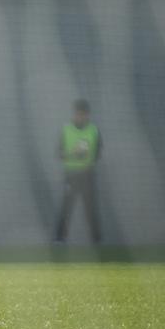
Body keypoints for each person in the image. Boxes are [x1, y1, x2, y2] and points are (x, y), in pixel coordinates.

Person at [54, 99, 103, 244]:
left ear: (88, 115)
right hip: (71, 175)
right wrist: (72, 154)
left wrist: (87, 155)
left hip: (87, 175)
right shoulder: (66, 130)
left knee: (91, 208)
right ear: (74, 114)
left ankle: (97, 239)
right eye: (78, 114)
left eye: (84, 114)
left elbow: (98, 152)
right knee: (66, 207)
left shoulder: (94, 130)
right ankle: (60, 238)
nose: (81, 117)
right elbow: (58, 153)